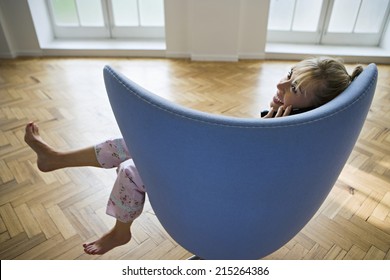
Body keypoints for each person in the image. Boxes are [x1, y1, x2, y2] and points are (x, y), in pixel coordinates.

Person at [24, 57, 363, 255]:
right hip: (216, 174)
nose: (281, 87)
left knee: (130, 168)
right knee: (132, 140)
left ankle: (120, 230)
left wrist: (267, 135)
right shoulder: (297, 126)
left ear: (313, 107)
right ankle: (55, 159)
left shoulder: (286, 135)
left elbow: (249, 174)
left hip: (219, 199)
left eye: (295, 90)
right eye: (289, 75)